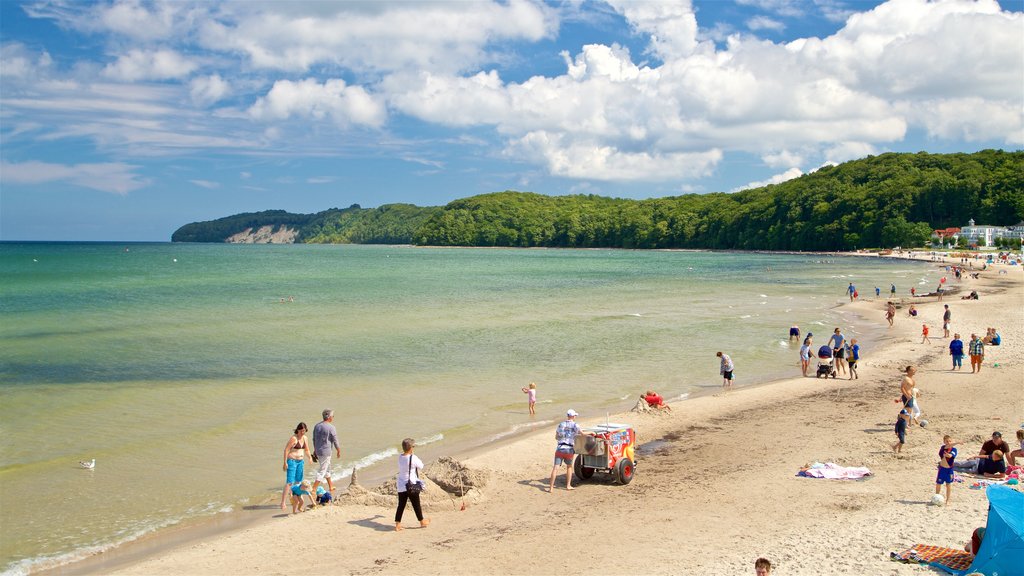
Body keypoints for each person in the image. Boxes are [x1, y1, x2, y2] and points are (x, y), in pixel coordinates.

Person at [395, 437, 429, 531]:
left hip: (401, 484)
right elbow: (421, 466)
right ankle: (422, 522)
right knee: (416, 504)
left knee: (401, 505)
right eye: (413, 446)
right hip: (411, 485)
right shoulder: (413, 458)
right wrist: (413, 455)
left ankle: (397, 524)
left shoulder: (400, 457)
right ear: (410, 448)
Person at [280, 422, 312, 510]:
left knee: (298, 481)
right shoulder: (293, 438)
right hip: (292, 461)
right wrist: (285, 462)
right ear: (298, 430)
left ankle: (295, 498)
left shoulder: (305, 438)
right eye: (301, 431)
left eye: (304, 431)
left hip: (300, 462)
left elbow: (307, 450)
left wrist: (310, 458)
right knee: (290, 482)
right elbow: (286, 450)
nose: (303, 433)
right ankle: (282, 502)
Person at [549, 409, 583, 492]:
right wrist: (592, 433)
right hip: (569, 449)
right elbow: (582, 434)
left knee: (555, 468)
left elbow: (556, 437)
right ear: (573, 416)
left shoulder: (561, 424)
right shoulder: (575, 425)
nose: (575, 417)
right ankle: (568, 485)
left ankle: (551, 488)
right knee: (569, 467)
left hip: (560, 448)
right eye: (575, 415)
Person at [312, 409, 342, 496]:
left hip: (318, 451)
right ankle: (314, 489)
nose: (333, 417)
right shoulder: (331, 427)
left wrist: (315, 449)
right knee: (322, 470)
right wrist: (338, 450)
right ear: (329, 417)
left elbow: (314, 439)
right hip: (326, 452)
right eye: (332, 416)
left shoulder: (317, 426)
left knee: (327, 468)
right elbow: (335, 440)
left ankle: (331, 486)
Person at [935, 435, 959, 505]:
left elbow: (951, 456)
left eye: (950, 441)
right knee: (938, 483)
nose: (948, 442)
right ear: (944, 442)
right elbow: (947, 447)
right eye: (947, 441)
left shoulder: (954, 450)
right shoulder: (943, 448)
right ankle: (937, 496)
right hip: (942, 469)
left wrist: (948, 455)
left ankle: (948, 500)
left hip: (949, 470)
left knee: (948, 484)